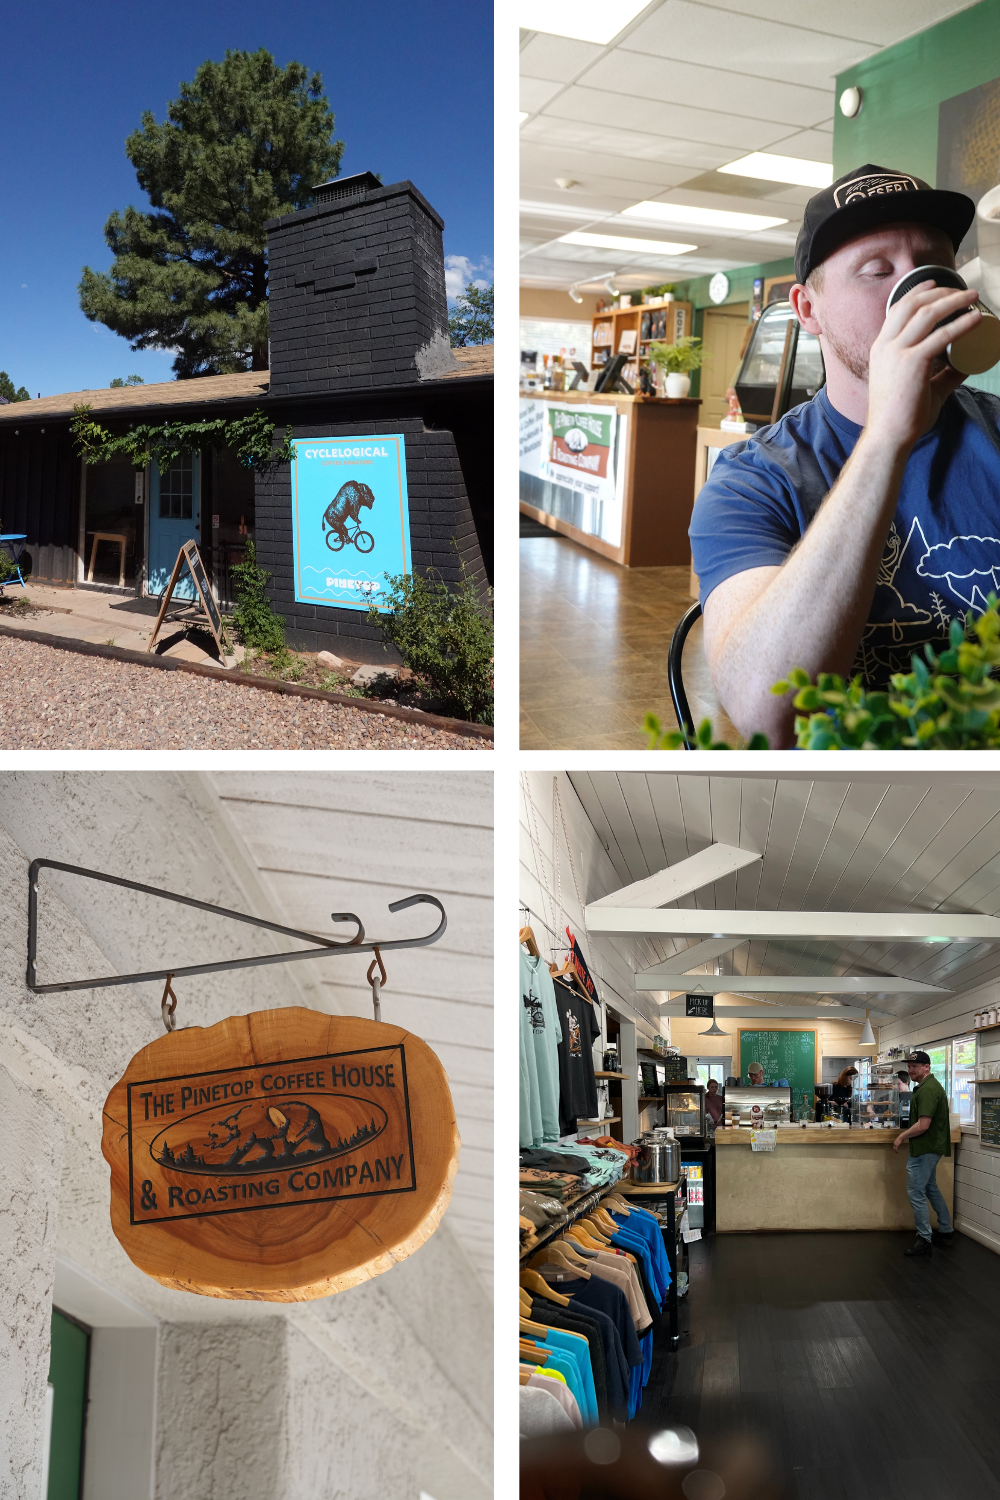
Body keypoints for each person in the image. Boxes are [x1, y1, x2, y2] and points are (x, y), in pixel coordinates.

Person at [689, 164, 994, 747]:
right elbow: (770, 713)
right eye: (877, 271)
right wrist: (885, 439)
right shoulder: (750, 482)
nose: (919, 291)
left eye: (935, 265)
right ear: (808, 310)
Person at [892, 1050, 956, 1256]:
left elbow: (923, 1125)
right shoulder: (927, 1087)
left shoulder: (928, 1089)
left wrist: (901, 1137)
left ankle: (925, 1238)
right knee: (930, 1188)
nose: (910, 1070)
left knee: (915, 1192)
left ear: (926, 1067)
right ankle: (945, 1229)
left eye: (914, 1067)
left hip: (925, 1147)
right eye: (909, 1067)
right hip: (929, 1147)